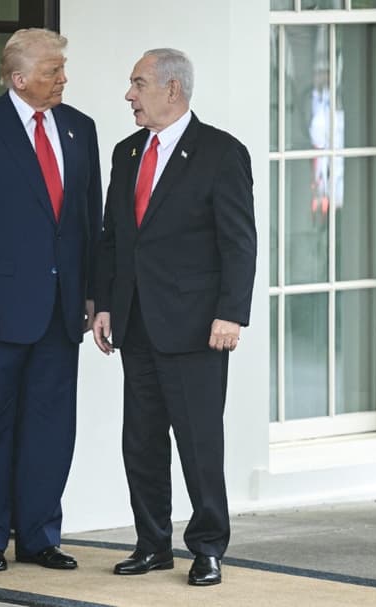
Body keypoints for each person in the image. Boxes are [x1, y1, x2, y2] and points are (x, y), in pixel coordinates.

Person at [92, 49, 257, 587]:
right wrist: (104, 303)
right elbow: (112, 238)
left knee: (199, 443)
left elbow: (239, 243)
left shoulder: (221, 153)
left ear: (172, 90)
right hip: (136, 323)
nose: (129, 95)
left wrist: (231, 314)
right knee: (140, 442)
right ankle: (152, 544)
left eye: (138, 84)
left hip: (196, 328)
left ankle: (207, 547)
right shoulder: (126, 153)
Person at [0, 28, 101, 573]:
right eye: (53, 70)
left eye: (62, 68)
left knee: (51, 429)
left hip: (60, 309)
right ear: (19, 78)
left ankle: (39, 536)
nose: (63, 79)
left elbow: (89, 218)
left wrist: (91, 292)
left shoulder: (80, 128)